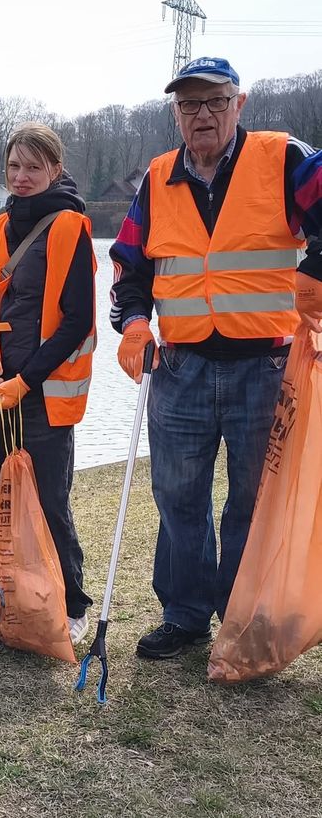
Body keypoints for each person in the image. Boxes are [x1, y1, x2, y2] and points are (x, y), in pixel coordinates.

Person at [109, 57, 322, 660]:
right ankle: (184, 614)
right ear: (175, 113)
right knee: (178, 494)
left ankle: (244, 612)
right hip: (179, 366)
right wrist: (131, 326)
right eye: (188, 105)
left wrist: (316, 273)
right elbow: (130, 265)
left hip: (268, 364)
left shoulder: (285, 159)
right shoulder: (156, 177)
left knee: (254, 496)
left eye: (213, 102)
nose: (201, 115)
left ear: (239, 104)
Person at [0, 122, 97, 645]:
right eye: (13, 167)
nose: (21, 177)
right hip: (2, 390)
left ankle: (72, 603)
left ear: (55, 170)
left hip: (44, 395)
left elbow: (77, 321)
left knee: (49, 501)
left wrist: (27, 379)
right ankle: (9, 603)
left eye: (32, 167)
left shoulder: (71, 226)